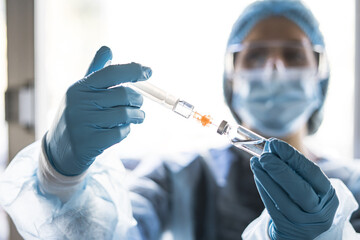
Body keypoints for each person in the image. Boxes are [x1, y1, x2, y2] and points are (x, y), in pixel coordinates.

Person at [1, 0, 360, 239]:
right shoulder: (183, 175)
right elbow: (112, 233)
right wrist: (60, 178)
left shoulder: (353, 184)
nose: (274, 69)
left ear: (321, 74)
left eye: (293, 55)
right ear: (230, 78)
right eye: (255, 56)